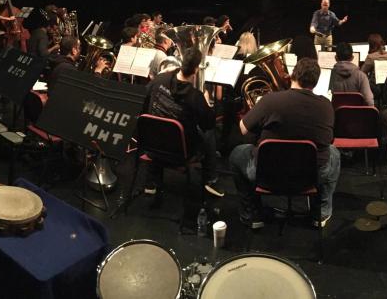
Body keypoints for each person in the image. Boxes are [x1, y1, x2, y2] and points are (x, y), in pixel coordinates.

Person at [232, 58, 340, 228]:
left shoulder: (270, 100)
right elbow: (328, 140)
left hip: (267, 175)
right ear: (316, 82)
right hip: (310, 177)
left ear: (292, 75)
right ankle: (321, 213)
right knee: (333, 152)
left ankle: (251, 215)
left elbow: (243, 129)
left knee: (238, 153)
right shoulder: (326, 105)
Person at [143, 47, 223, 198]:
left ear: (181, 63)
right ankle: (210, 180)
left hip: (151, 146)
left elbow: (145, 97)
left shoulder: (159, 80)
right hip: (179, 153)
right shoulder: (195, 96)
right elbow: (208, 124)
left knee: (159, 123)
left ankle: (151, 181)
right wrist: (206, 102)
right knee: (209, 134)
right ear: (196, 69)